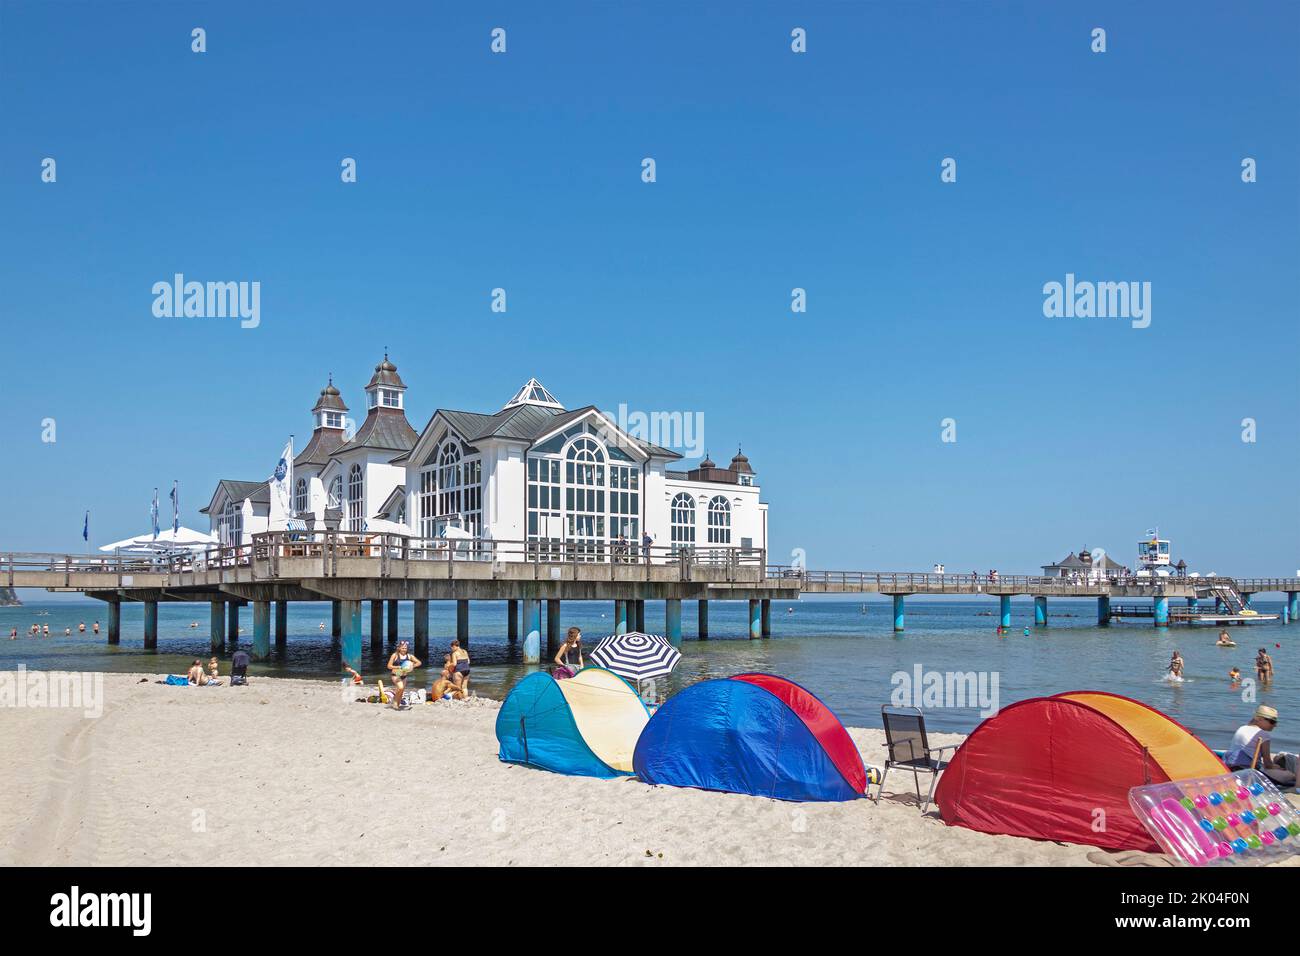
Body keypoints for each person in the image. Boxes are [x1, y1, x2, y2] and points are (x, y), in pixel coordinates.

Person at [1224, 705, 1295, 788]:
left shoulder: (1242, 728)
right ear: (1259, 719)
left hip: (1231, 767)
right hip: (1249, 771)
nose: (1275, 725)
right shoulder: (1264, 735)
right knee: (1290, 775)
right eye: (1272, 721)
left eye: (1275, 722)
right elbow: (1268, 764)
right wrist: (1276, 767)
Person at [386, 640, 421, 710]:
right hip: (396, 674)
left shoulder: (409, 656)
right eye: (402, 648)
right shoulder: (395, 655)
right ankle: (394, 702)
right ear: (399, 648)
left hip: (404, 675)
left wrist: (412, 666)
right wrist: (398, 667)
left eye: (405, 648)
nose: (404, 649)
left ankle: (397, 705)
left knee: (401, 691)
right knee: (400, 687)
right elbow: (389, 666)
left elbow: (419, 662)